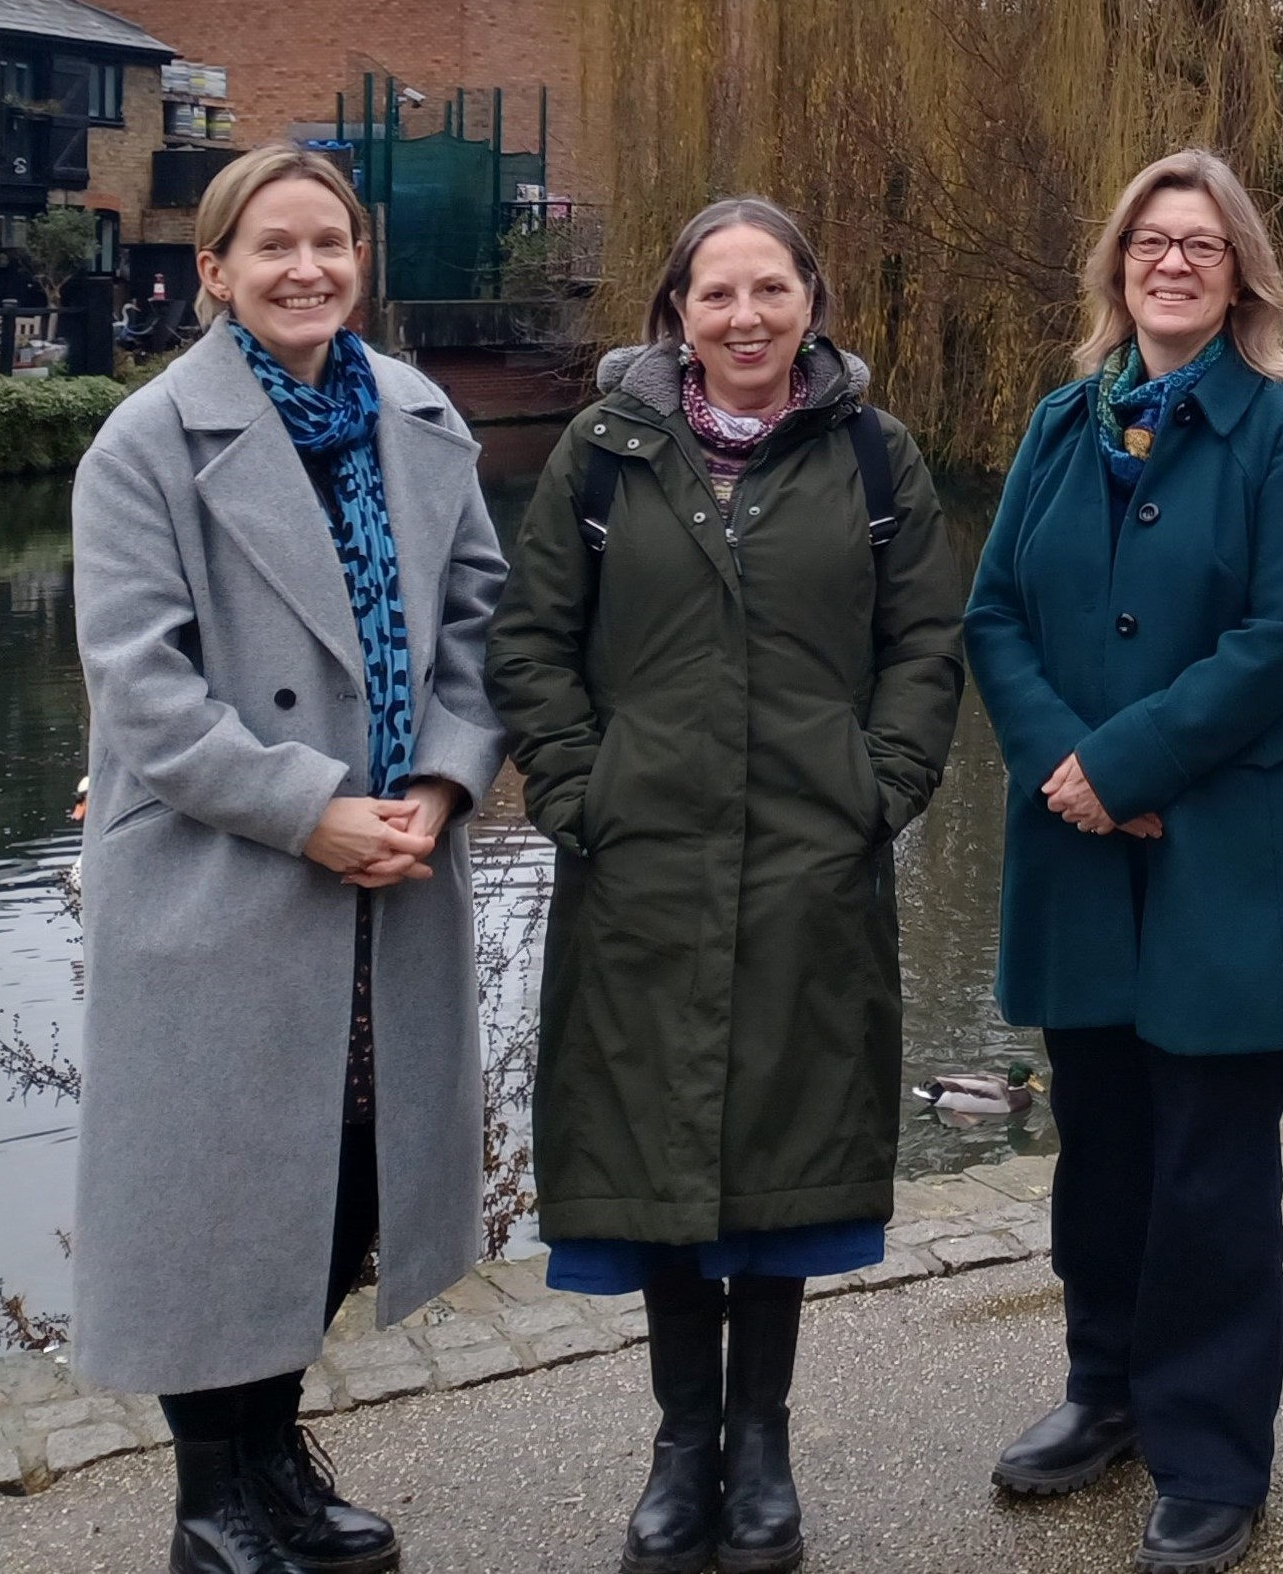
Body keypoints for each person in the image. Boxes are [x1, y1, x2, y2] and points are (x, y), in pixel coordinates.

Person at [489, 199, 965, 1574]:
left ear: (811, 300)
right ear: (677, 312)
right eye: (717, 295)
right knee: (655, 1158)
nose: (745, 317)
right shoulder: (604, 452)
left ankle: (760, 1444)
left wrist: (879, 789)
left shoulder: (875, 457)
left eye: (770, 290)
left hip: (812, 863)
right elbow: (531, 643)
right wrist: (580, 790)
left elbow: (926, 641)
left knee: (775, 1157)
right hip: (642, 866)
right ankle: (674, 1442)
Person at [72, 143, 510, 1574]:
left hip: (395, 875)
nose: (306, 269)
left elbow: (475, 630)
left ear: (359, 262)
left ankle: (273, 1459)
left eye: (330, 243)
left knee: (343, 1183)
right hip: (230, 875)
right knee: (223, 1193)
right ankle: (214, 1505)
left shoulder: (420, 417)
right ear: (213, 272)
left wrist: (441, 788)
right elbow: (143, 692)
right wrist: (309, 808)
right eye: (272, 248)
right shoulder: (145, 443)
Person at [969, 151, 1283, 1574]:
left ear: (1241, 271)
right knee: (1103, 1149)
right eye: (1150, 242)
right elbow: (994, 608)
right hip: (1078, 846)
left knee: (1209, 1167)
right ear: (1117, 267)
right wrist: (1067, 768)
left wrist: (1127, 768)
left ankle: (1209, 1453)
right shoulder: (1062, 422)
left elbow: (1281, 637)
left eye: (1201, 244)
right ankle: (1106, 1391)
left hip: (1222, 855)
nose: (1173, 263)